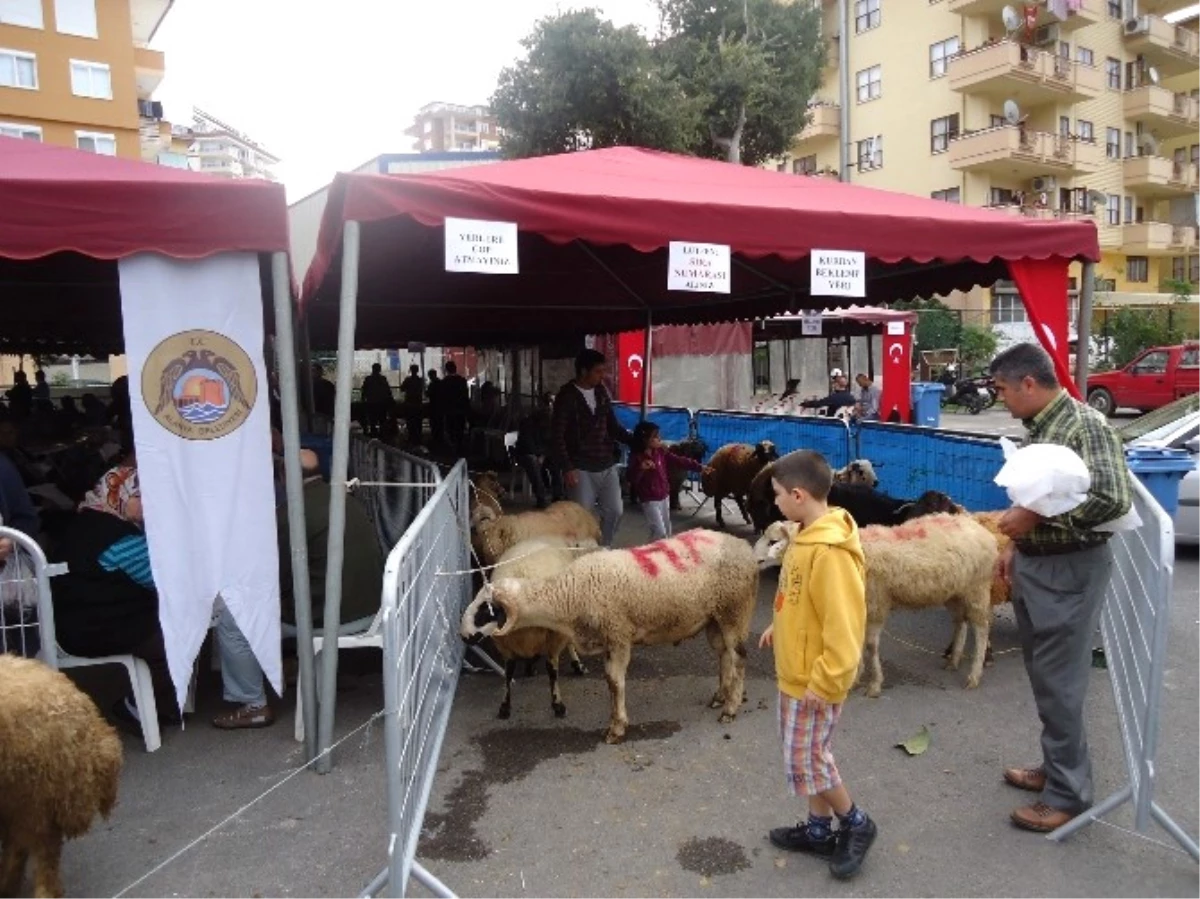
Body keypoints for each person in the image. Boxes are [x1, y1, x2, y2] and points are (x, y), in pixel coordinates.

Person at [989, 342, 1133, 833]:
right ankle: (1057, 771)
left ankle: (1069, 795)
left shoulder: (1084, 425)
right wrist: (1017, 546)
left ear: (1030, 384)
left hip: (1069, 570)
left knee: (1060, 684)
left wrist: (1034, 516)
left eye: (1004, 390)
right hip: (1040, 563)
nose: (1001, 400)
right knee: (1047, 680)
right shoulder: (1042, 428)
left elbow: (1112, 499)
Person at [758, 449, 876, 880]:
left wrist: (826, 681)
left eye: (776, 495)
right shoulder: (805, 536)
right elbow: (797, 596)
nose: (774, 503)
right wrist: (780, 624)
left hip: (814, 678)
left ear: (798, 494)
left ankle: (856, 823)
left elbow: (844, 625)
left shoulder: (830, 554)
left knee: (809, 760)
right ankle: (817, 829)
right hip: (797, 670)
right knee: (811, 755)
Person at [211, 449, 383, 729]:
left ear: (283, 475)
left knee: (233, 618)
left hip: (332, 619)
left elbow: (268, 579)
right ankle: (287, 667)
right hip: (371, 609)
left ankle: (253, 704)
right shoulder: (346, 499)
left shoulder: (292, 512)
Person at [52, 459, 180, 730]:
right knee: (176, 635)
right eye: (141, 497)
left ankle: (161, 705)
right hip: (95, 627)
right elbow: (161, 581)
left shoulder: (88, 519)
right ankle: (135, 707)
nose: (150, 504)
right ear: (119, 494)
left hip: (82, 621)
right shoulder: (116, 536)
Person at [550, 349, 632, 547]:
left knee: (615, 510)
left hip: (606, 462)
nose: (601, 376)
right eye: (598, 371)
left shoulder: (601, 391)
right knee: (581, 516)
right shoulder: (567, 396)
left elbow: (612, 426)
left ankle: (603, 547)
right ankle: (580, 553)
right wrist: (567, 467)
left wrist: (637, 441)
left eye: (603, 371)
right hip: (580, 466)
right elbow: (557, 434)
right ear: (583, 371)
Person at [626, 421, 711, 541]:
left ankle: (660, 553)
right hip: (649, 500)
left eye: (658, 435)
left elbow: (678, 460)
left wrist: (699, 467)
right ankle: (651, 555)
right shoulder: (637, 457)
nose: (659, 439)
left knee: (667, 531)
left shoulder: (661, 452)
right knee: (659, 532)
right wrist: (641, 469)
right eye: (655, 437)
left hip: (664, 496)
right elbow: (631, 479)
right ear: (644, 440)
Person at [514, 393, 561, 509]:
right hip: (525, 454)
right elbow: (527, 445)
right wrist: (540, 454)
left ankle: (558, 495)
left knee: (556, 460)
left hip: (543, 454)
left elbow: (553, 444)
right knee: (532, 461)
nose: (549, 407)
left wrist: (544, 455)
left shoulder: (551, 423)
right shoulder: (527, 423)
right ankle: (542, 497)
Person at [441, 361, 471, 453]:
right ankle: (459, 445)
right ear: (455, 368)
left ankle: (453, 446)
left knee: (450, 428)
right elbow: (465, 396)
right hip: (460, 409)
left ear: (446, 370)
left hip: (449, 409)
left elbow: (443, 397)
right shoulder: (462, 380)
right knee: (460, 428)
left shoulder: (445, 381)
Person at [360, 363, 392, 438]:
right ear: (379, 369)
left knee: (372, 421)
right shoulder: (383, 379)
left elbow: (364, 391)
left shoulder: (368, 379)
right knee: (382, 421)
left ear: (372, 369)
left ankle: (373, 435)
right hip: (381, 404)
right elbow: (388, 391)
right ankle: (382, 436)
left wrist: (363, 400)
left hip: (371, 403)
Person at [400, 365, 425, 446]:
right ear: (417, 370)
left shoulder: (408, 380)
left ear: (410, 370)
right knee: (418, 422)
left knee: (410, 422)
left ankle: (411, 438)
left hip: (409, 404)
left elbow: (402, 389)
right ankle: (418, 438)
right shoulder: (420, 380)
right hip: (418, 404)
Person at [426, 368, 445, 447]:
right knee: (440, 424)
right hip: (440, 407)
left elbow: (428, 394)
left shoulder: (432, 384)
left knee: (434, 424)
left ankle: (436, 440)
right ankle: (440, 439)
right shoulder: (441, 383)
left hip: (434, 407)